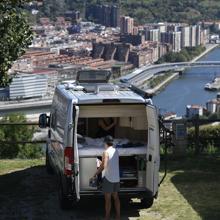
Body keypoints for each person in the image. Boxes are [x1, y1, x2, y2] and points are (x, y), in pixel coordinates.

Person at [90, 135, 120, 220]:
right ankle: (118, 216)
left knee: (108, 199)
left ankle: (107, 217)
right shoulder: (116, 151)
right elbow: (112, 162)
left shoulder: (105, 152)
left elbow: (104, 165)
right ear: (112, 143)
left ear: (105, 143)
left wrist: (95, 174)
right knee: (116, 198)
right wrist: (102, 162)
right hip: (116, 178)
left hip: (108, 178)